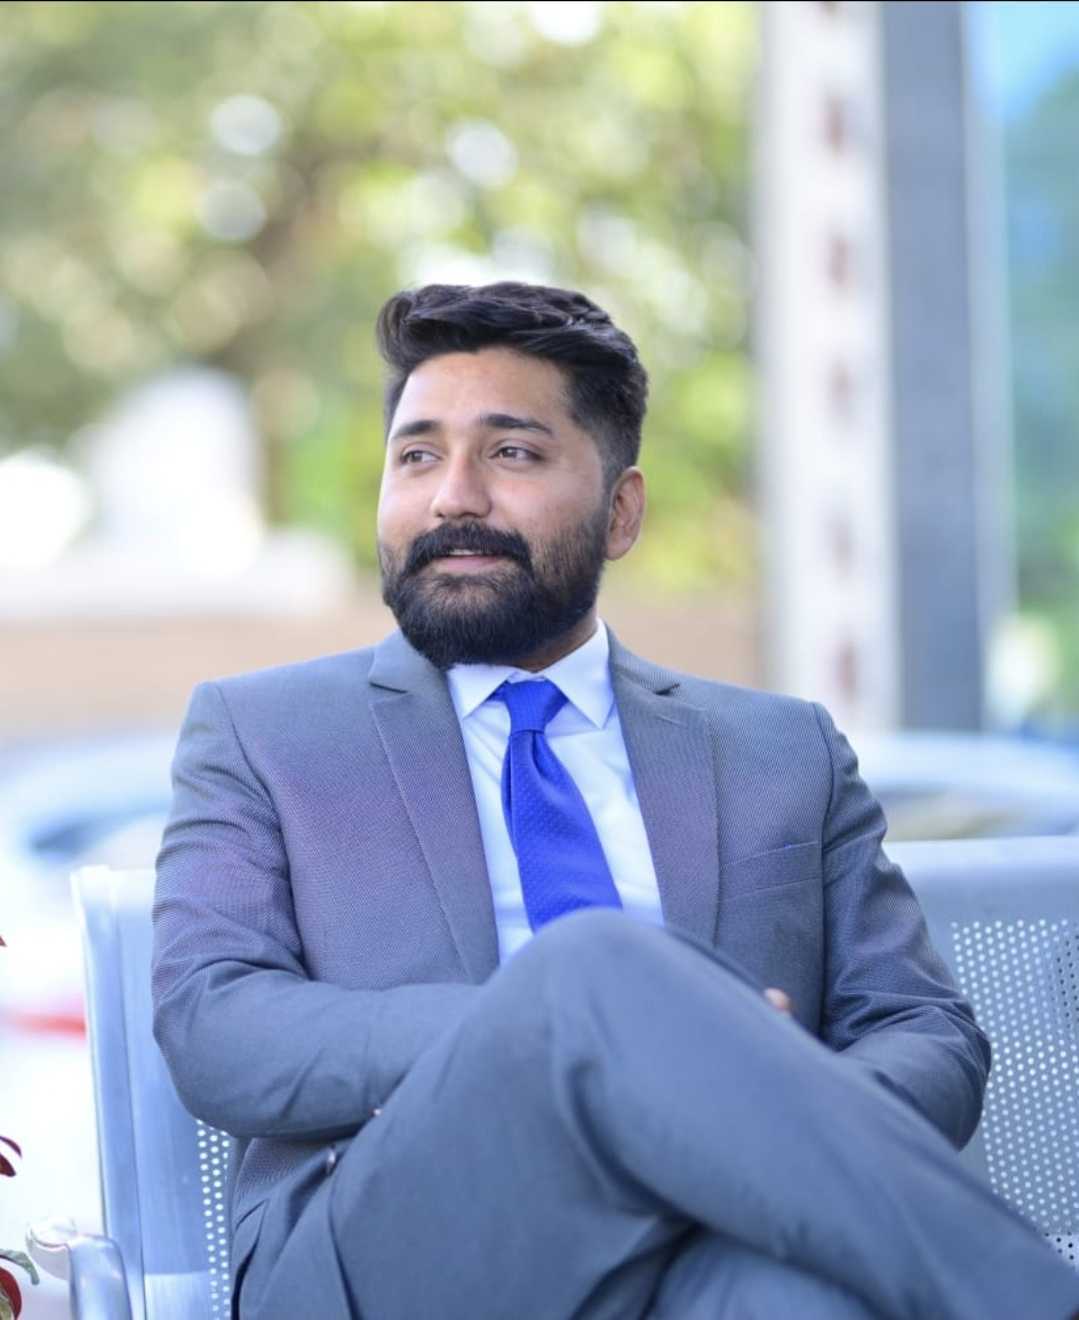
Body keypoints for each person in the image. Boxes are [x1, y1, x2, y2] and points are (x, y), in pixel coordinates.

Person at [152, 282, 1079, 1320]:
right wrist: (571, 1039)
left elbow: (922, 1029)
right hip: (392, 1253)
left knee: (787, 1303)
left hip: (711, 1226)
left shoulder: (781, 751)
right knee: (594, 968)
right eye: (416, 456)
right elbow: (215, 1025)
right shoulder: (263, 733)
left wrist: (734, 1105)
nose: (453, 496)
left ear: (621, 510)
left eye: (510, 453)